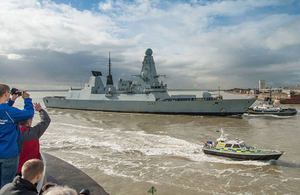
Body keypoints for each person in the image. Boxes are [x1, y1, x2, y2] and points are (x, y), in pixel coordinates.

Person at [0, 84, 34, 188]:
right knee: (6, 184)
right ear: (6, 93)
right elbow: (28, 113)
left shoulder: (7, 111)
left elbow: (4, 113)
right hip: (8, 154)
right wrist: (27, 99)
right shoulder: (9, 112)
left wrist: (11, 100)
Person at [16, 102, 51, 174]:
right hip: (29, 171)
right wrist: (40, 110)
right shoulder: (33, 132)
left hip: (13, 169)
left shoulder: (9, 133)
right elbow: (46, 120)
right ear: (29, 123)